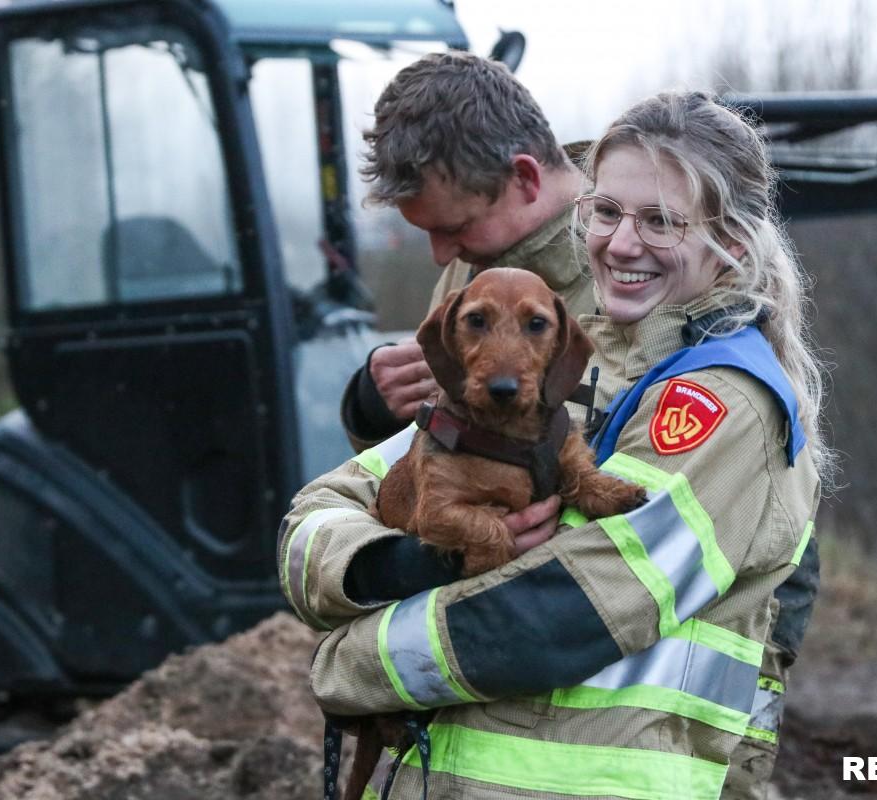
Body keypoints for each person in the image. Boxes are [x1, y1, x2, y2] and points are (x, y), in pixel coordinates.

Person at [281, 90, 832, 799]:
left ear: (729, 241)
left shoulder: (720, 403)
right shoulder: (564, 366)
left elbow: (560, 611)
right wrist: (396, 564)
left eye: (661, 221)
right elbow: (318, 511)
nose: (620, 242)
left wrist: (346, 665)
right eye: (606, 212)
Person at [339, 51, 591, 452]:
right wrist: (375, 408)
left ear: (525, 177)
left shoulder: (637, 266)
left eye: (455, 228)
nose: (442, 256)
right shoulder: (481, 254)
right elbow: (431, 458)